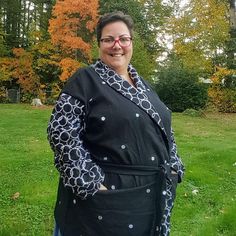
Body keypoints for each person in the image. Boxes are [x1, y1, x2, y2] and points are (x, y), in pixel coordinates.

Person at [47, 11, 184, 236]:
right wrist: (89, 182)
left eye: (123, 39)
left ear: (131, 43)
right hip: (103, 200)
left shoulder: (145, 86)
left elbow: (164, 129)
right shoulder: (85, 81)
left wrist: (174, 165)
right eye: (108, 39)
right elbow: (61, 133)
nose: (116, 45)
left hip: (147, 198)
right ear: (99, 44)